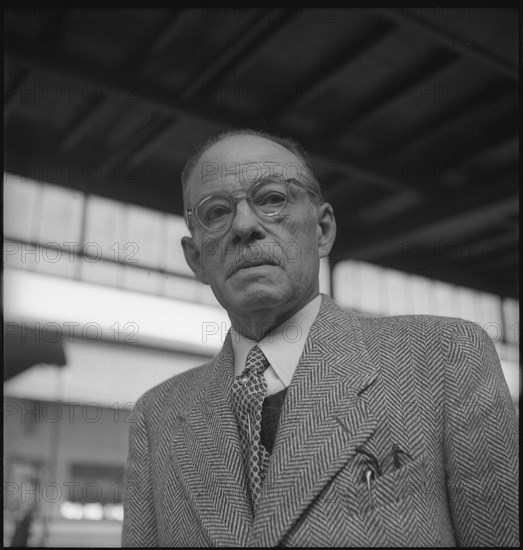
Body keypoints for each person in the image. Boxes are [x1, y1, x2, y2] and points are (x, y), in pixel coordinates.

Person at [122, 129, 519, 547]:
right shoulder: (158, 416)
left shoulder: (444, 357)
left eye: (272, 198)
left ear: (323, 230)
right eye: (216, 211)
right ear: (196, 258)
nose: (243, 225)